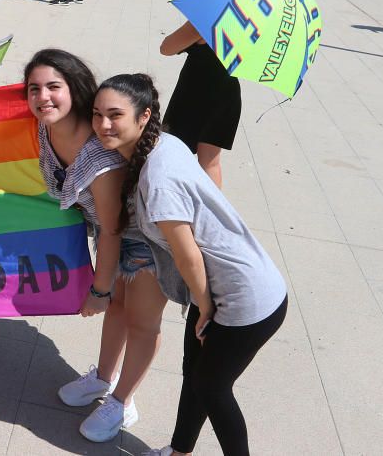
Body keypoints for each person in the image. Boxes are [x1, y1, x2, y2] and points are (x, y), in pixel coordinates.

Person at [92, 74, 287, 456]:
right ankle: (180, 451)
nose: (103, 125)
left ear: (144, 116)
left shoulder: (158, 179)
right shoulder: (163, 143)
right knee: (194, 376)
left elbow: (187, 256)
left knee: (212, 388)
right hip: (223, 288)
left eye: (115, 115)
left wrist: (207, 309)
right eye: (97, 114)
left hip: (243, 299)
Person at [26, 49, 179, 443]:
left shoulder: (99, 156)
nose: (43, 97)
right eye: (34, 89)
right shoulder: (46, 126)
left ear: (75, 90)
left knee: (141, 322)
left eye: (53, 87)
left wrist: (98, 288)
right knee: (118, 309)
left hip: (146, 239)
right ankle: (102, 378)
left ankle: (123, 402)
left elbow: (113, 232)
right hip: (111, 231)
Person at [159, 23, 241, 188]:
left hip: (195, 94)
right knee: (210, 162)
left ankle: (169, 201)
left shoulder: (209, 19)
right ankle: (212, 211)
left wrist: (195, 24)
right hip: (228, 93)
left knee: (171, 151)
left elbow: (166, 48)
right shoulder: (254, 22)